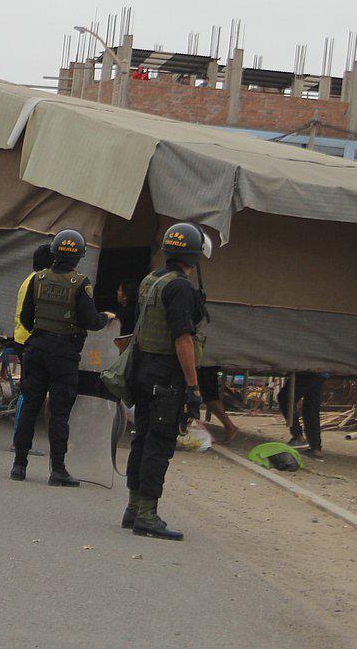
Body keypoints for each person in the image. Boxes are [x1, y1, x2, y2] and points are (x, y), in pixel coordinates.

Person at [124, 222, 209, 540]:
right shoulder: (180, 288)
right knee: (158, 444)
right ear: (194, 255)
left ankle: (133, 508)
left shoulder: (151, 280)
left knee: (141, 439)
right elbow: (183, 339)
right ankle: (147, 514)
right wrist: (193, 387)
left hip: (144, 371)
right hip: (166, 377)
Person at [10, 230, 110, 486]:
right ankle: (58, 470)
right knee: (59, 412)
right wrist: (105, 319)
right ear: (79, 256)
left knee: (29, 407)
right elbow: (90, 320)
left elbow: (24, 318)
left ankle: (19, 465)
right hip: (64, 355)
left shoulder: (38, 279)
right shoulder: (80, 283)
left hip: (36, 349)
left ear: (54, 252)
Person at [276, 372, 327, 458]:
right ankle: (315, 448)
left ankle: (298, 437)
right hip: (321, 372)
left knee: (285, 398)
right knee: (311, 408)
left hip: (307, 370)